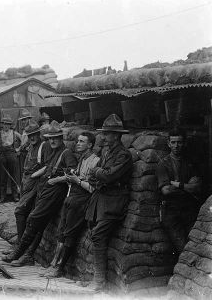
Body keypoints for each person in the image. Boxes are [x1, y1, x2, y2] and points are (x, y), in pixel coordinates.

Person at [2, 121, 77, 265]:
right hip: (45, 190)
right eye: (50, 138)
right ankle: (28, 255)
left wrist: (55, 180)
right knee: (39, 224)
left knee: (33, 219)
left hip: (55, 192)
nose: (52, 141)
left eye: (55, 138)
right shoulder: (54, 152)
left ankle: (19, 253)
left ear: (61, 139)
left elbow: (73, 174)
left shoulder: (66, 153)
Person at [83, 114, 133, 292]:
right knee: (92, 230)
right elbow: (99, 176)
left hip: (115, 200)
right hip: (102, 197)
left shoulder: (124, 155)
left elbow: (110, 175)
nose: (103, 137)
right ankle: (96, 277)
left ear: (117, 136)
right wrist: (98, 174)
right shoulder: (106, 152)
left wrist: (96, 171)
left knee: (97, 235)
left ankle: (99, 281)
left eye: (107, 134)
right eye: (103, 133)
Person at [44, 131, 100, 278]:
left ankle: (59, 268)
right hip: (71, 198)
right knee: (61, 232)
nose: (78, 143)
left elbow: (92, 188)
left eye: (82, 141)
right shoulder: (82, 158)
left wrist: (77, 180)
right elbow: (76, 177)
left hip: (81, 201)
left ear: (90, 145)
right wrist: (70, 177)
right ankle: (53, 264)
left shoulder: (95, 161)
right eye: (78, 141)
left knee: (69, 234)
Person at [1, 122, 52, 264]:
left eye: (34, 135)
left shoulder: (44, 146)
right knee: (24, 213)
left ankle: (20, 248)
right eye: (30, 136)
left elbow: (48, 166)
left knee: (20, 211)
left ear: (39, 134)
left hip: (36, 182)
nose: (32, 138)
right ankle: (19, 246)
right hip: (27, 181)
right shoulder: (31, 146)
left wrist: (34, 176)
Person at [156, 128, 202, 256]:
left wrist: (177, 184)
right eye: (174, 142)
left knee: (196, 245)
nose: (177, 146)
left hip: (189, 211)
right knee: (183, 249)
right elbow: (165, 190)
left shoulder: (190, 163)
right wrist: (187, 186)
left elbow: (197, 187)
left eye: (180, 142)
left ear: (184, 143)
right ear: (168, 143)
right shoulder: (163, 164)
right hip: (171, 213)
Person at [0, 115, 23, 202]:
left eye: (8, 124)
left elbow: (24, 140)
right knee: (3, 177)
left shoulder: (15, 133)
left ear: (10, 125)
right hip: (2, 156)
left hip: (12, 155)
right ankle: (2, 197)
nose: (6, 126)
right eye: (4, 124)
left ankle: (15, 196)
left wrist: (19, 149)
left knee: (14, 176)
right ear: (2, 125)